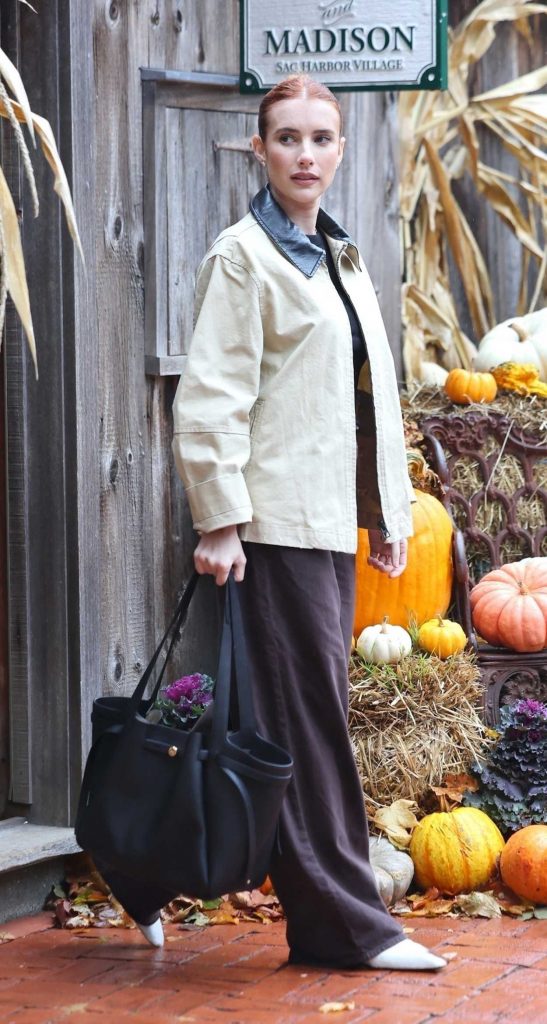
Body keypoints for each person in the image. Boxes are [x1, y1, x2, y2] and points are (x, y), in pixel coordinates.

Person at [105, 75, 446, 970]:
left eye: (320, 139)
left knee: (291, 722)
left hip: (327, 523)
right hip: (274, 526)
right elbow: (211, 396)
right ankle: (346, 926)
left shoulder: (337, 253)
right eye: (286, 138)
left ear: (339, 149)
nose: (304, 154)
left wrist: (386, 511)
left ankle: (141, 869)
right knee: (306, 729)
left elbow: (367, 395)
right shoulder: (243, 256)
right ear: (258, 149)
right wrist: (219, 517)